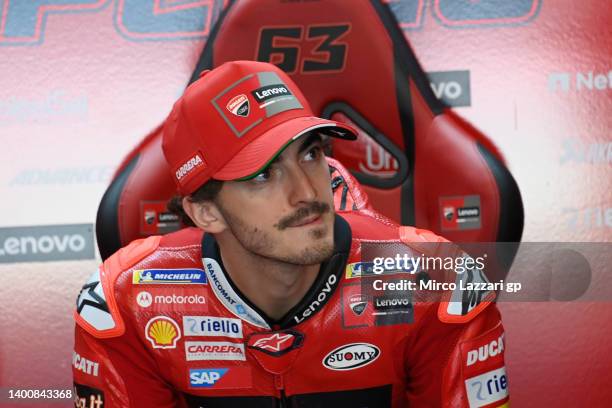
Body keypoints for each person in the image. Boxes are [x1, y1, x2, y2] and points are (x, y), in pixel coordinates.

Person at [73, 60, 508, 407]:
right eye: (262, 175)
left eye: (312, 153)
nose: (307, 193)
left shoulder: (434, 281)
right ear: (206, 212)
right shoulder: (127, 302)